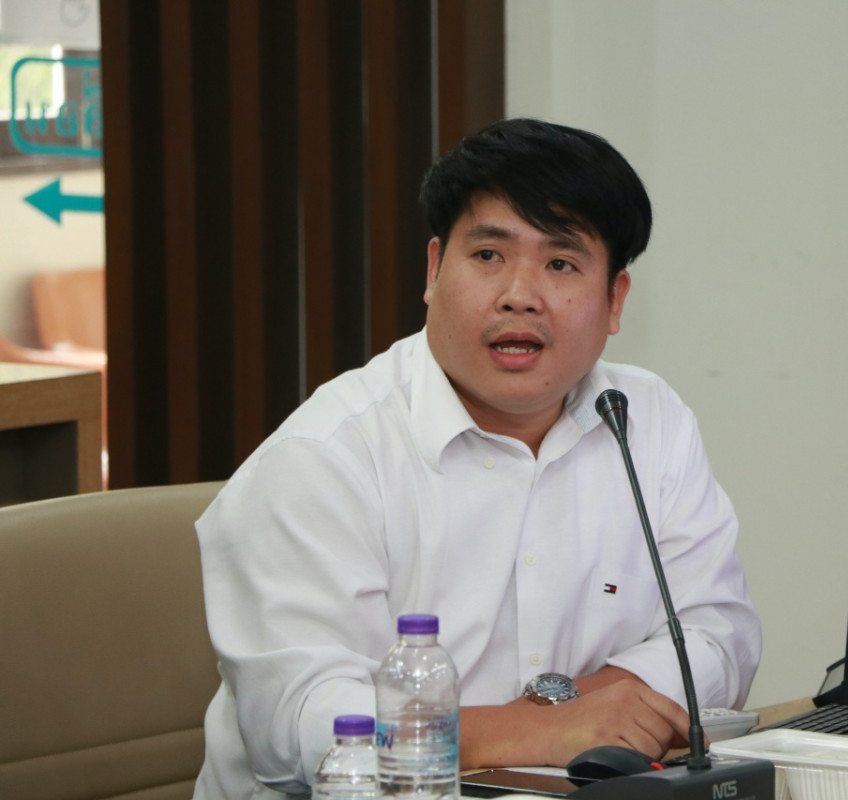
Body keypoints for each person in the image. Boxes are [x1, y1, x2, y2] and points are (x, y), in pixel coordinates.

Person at [194, 118, 761, 798]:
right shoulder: (322, 458)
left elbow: (719, 633)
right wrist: (537, 730)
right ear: (434, 271)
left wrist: (575, 706)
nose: (520, 294)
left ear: (614, 301)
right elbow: (304, 726)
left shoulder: (647, 421)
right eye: (489, 255)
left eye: (560, 263)